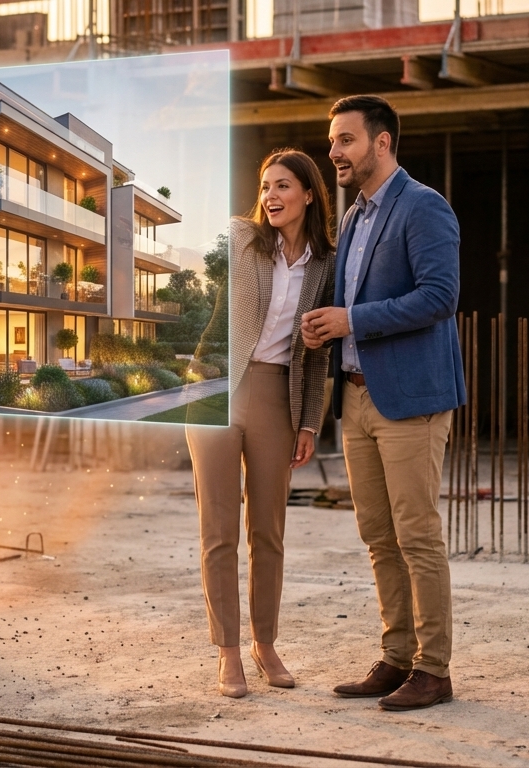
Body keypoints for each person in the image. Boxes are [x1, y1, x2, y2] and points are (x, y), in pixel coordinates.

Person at [301, 95, 465, 711]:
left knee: (417, 535)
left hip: (411, 400)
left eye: (346, 140)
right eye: (333, 141)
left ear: (383, 142)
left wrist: (352, 319)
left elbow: (439, 297)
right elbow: (350, 307)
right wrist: (328, 326)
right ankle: (397, 657)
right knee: (378, 536)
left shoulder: (424, 207)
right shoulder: (352, 219)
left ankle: (434, 669)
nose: (334, 152)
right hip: (358, 399)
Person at [187, 149, 335, 698]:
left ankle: (264, 643)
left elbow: (318, 354)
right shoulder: (242, 239)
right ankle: (229, 652)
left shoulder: (326, 263)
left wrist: (309, 423)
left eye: (283, 186)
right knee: (219, 530)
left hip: (278, 396)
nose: (271, 195)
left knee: (268, 532)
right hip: (217, 389)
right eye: (266, 186)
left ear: (308, 195)